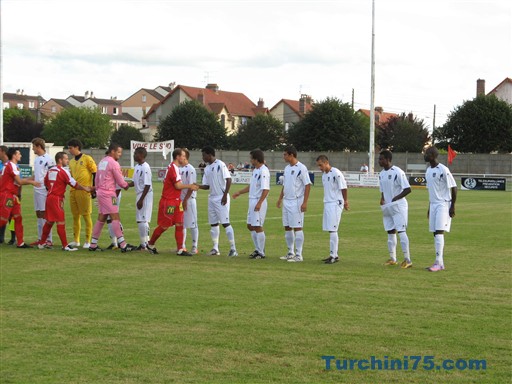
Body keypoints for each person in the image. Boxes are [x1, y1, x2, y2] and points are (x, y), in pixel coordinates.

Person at [146, 148, 199, 255]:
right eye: (183, 155)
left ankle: (180, 249)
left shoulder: (174, 168)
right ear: (178, 157)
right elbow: (178, 185)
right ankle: (150, 244)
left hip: (176, 201)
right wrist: (190, 186)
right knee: (164, 225)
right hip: (169, 201)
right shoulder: (173, 168)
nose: (184, 158)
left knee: (180, 224)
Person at [37, 152, 93, 251]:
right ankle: (65, 246)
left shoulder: (50, 171)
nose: (67, 160)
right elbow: (74, 184)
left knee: (49, 221)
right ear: (60, 160)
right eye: (66, 159)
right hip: (57, 199)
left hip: (49, 198)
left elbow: (46, 183)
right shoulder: (63, 171)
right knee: (60, 222)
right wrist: (86, 188)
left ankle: (41, 243)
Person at [88, 143, 133, 252]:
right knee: (115, 217)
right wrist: (127, 185)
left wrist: (97, 189)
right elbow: (120, 179)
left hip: (101, 192)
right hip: (109, 193)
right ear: (112, 151)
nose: (120, 154)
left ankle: (93, 244)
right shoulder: (113, 163)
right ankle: (123, 244)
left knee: (101, 218)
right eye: (118, 152)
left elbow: (97, 178)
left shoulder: (102, 161)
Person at [198, 146, 238, 257]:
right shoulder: (206, 168)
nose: (203, 157)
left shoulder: (220, 164)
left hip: (221, 197)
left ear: (209, 154)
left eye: (204, 155)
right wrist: (197, 186)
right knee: (213, 224)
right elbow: (207, 186)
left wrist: (225, 195)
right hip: (211, 198)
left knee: (225, 223)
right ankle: (215, 248)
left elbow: (228, 179)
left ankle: (233, 249)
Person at [424, 146, 457, 272]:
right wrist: (429, 207)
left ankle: (438, 262)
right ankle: (440, 263)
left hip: (443, 204)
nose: (424, 155)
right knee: (435, 233)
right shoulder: (428, 170)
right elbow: (432, 191)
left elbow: (454, 187)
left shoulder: (443, 169)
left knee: (439, 232)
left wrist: (452, 205)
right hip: (433, 205)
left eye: (426, 153)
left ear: (432, 155)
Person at [232, 149, 270, 259]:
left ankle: (261, 252)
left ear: (256, 159)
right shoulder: (255, 170)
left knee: (257, 226)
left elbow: (266, 189)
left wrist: (260, 203)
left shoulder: (264, 171)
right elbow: (251, 186)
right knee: (250, 225)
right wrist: (239, 192)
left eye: (251, 158)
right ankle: (258, 249)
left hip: (258, 201)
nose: (250, 160)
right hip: (252, 200)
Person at [378, 150, 412, 268]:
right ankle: (393, 258)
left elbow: (408, 189)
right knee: (390, 231)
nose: (379, 161)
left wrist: (395, 198)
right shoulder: (381, 174)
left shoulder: (397, 172)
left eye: (381, 159)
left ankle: (407, 260)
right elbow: (382, 190)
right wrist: (382, 198)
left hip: (398, 206)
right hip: (387, 207)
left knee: (401, 231)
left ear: (388, 159)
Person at [0, 148, 41, 248]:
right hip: (7, 195)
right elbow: (19, 182)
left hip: (13, 196)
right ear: (14, 155)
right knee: (3, 219)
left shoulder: (11, 165)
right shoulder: (11, 165)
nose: (21, 155)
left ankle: (20, 242)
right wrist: (32, 182)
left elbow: (18, 181)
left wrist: (32, 178)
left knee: (18, 218)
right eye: (19, 154)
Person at [277, 145, 312, 262]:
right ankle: (290, 252)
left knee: (297, 227)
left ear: (291, 155)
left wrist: (305, 202)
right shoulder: (287, 168)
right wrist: (280, 198)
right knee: (287, 227)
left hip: (297, 201)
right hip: (286, 201)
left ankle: (299, 255)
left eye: (285, 154)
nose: (284, 157)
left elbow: (307, 185)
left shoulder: (301, 168)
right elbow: (285, 185)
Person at [316, 155, 349, 264]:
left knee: (333, 229)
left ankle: (334, 256)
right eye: (318, 166)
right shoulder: (324, 175)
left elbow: (343, 187)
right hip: (327, 203)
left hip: (335, 203)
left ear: (326, 163)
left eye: (320, 165)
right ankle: (333, 254)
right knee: (330, 229)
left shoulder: (336, 173)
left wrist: (346, 201)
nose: (319, 168)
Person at [67, 138, 97, 249]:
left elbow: (95, 173)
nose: (69, 150)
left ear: (77, 147)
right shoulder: (71, 162)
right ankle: (76, 240)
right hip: (73, 191)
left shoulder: (87, 159)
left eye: (71, 148)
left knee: (86, 216)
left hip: (85, 191)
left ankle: (88, 240)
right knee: (75, 216)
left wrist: (94, 189)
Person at [31, 138, 56, 247]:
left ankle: (48, 239)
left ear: (38, 146)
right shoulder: (36, 159)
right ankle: (41, 238)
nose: (32, 149)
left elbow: (52, 175)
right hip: (36, 190)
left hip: (43, 190)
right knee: (38, 214)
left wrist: (49, 188)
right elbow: (36, 175)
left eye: (33, 146)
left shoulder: (49, 159)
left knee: (45, 214)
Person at [127, 147, 153, 251]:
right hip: (139, 194)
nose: (134, 155)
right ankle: (143, 243)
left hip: (145, 194)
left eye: (136, 154)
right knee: (140, 220)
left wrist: (141, 199)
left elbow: (147, 185)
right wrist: (125, 185)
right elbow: (134, 182)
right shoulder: (137, 167)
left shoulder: (145, 167)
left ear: (142, 155)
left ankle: (146, 244)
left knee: (143, 219)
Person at [180, 148, 199, 254]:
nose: (179, 157)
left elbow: (192, 186)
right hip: (180, 200)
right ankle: (182, 246)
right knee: (181, 223)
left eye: (181, 155)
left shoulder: (190, 169)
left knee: (193, 224)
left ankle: (194, 246)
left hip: (189, 200)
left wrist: (186, 200)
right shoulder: (179, 169)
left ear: (185, 156)